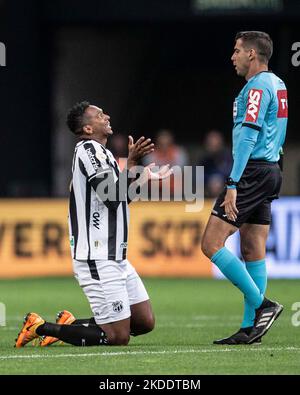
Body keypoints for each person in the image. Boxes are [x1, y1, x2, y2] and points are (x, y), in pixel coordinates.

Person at [15, 101, 171, 347]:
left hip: (116, 255)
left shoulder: (104, 153)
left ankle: (70, 323)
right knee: (117, 337)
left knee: (143, 322)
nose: (107, 116)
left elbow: (120, 199)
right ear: (88, 129)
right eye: (100, 115)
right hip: (96, 255)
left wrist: (139, 175)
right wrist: (130, 167)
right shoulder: (88, 150)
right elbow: (111, 197)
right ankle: (40, 326)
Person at [201, 31, 287, 345]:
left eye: (237, 50)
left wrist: (233, 183)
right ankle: (250, 328)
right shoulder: (278, 84)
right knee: (253, 247)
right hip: (271, 169)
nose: (232, 56)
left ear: (252, 54)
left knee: (211, 243)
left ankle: (264, 305)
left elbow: (249, 136)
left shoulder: (256, 88)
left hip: (251, 171)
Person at [196, 129, 232, 197]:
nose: (213, 146)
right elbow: (199, 175)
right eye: (210, 143)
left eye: (215, 144)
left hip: (226, 190)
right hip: (207, 190)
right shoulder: (204, 159)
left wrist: (220, 179)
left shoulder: (228, 157)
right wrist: (210, 180)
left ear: (220, 143)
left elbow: (231, 174)